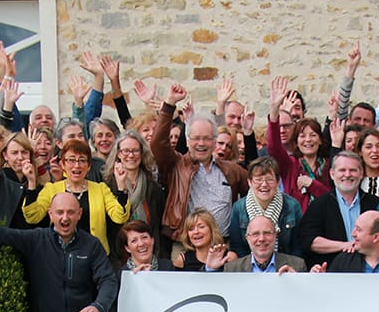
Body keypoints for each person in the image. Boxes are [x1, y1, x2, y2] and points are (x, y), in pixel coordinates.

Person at [150, 84, 249, 246]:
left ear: (215, 141)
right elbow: (158, 144)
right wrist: (169, 104)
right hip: (185, 246)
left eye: (207, 138)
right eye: (196, 138)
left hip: (222, 246)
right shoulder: (176, 164)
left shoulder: (232, 170)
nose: (201, 143)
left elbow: (256, 185)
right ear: (188, 140)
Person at [22, 140, 129, 253]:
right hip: (60, 255)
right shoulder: (52, 189)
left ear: (88, 166)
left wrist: (121, 185)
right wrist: (31, 182)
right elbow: (32, 216)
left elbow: (119, 216)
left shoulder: (100, 189)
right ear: (63, 164)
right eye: (71, 160)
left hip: (94, 255)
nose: (77, 165)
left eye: (82, 160)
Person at [297, 151, 379, 267]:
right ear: (332, 174)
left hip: (369, 271)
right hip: (331, 273)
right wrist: (347, 245)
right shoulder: (318, 205)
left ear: (361, 174)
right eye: (342, 170)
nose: (347, 174)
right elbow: (309, 241)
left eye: (353, 170)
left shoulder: (375, 204)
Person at [268, 77, 332, 212]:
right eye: (302, 136)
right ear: (296, 141)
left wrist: (313, 185)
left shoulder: (328, 166)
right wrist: (274, 111)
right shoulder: (291, 165)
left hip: (325, 226)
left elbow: (333, 200)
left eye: (313, 135)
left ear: (320, 140)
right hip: (298, 227)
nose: (308, 140)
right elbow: (274, 148)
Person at [102, 130, 165, 260]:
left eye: (135, 151)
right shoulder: (107, 186)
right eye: (126, 151)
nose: (131, 155)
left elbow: (157, 225)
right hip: (118, 255)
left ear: (142, 153)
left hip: (149, 253)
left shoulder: (153, 187)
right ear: (118, 154)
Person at [228, 157, 302, 258]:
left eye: (269, 180)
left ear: (278, 182)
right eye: (258, 180)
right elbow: (237, 246)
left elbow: (298, 246)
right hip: (250, 267)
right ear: (249, 182)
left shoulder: (292, 206)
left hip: (285, 266)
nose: (264, 185)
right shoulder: (239, 208)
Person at [311, 211, 379, 273]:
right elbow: (331, 295)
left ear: (376, 237)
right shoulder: (344, 260)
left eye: (358, 229)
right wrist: (322, 279)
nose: (353, 234)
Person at [218, 217, 307, 273]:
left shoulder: (297, 266)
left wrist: (296, 281)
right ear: (247, 238)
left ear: (275, 235)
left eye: (267, 233)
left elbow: (305, 299)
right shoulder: (232, 269)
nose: (261, 239)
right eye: (255, 234)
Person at [173, 209, 237, 271]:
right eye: (191, 229)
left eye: (201, 227)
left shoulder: (229, 257)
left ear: (212, 230)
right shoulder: (182, 260)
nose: (196, 232)